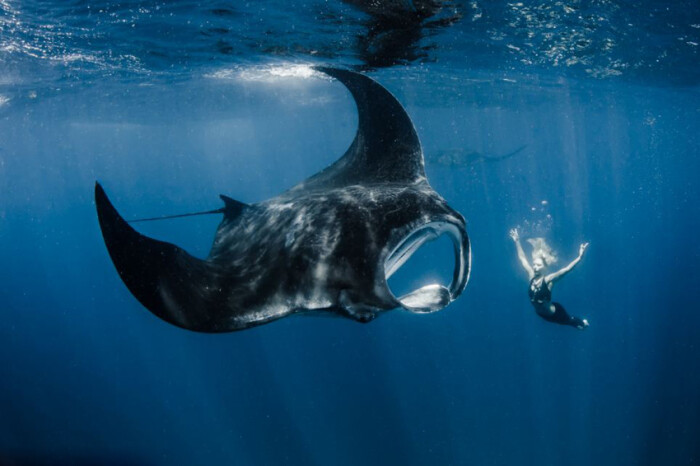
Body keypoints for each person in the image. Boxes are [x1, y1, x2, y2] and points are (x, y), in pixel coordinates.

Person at [509, 228, 590, 330]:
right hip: (542, 315)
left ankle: (583, 323)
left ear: (544, 267)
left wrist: (580, 257)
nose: (535, 267)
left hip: (555, 313)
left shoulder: (548, 280)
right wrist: (517, 241)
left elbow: (567, 269)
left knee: (569, 320)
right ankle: (580, 325)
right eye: (534, 264)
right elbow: (522, 258)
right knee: (567, 322)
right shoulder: (531, 276)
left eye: (538, 265)